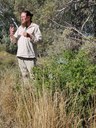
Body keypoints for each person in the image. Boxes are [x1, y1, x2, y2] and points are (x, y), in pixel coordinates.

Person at [9, 10, 42, 85]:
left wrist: (30, 36)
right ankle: (27, 93)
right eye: (21, 17)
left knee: (34, 77)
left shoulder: (35, 27)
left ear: (28, 17)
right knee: (24, 76)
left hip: (30, 57)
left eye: (23, 17)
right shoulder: (20, 28)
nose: (22, 18)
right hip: (20, 56)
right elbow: (14, 41)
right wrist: (11, 34)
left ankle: (35, 94)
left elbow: (40, 40)